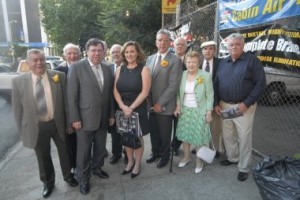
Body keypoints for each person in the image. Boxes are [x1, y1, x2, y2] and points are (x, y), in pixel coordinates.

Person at [11, 49, 78, 198]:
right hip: (37, 126)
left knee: (65, 151)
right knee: (43, 156)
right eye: (34, 60)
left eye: (41, 59)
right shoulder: (18, 82)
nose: (39, 63)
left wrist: (69, 123)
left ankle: (68, 176)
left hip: (58, 122)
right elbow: (17, 110)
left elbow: (67, 103)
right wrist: (23, 131)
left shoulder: (58, 76)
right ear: (28, 63)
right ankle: (48, 182)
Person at [214, 33, 266, 181]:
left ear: (243, 45)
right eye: (231, 44)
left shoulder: (252, 61)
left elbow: (260, 84)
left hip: (243, 107)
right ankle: (233, 158)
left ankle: (243, 167)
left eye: (237, 44)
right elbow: (216, 83)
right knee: (228, 134)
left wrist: (247, 102)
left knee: (244, 137)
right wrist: (216, 102)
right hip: (224, 105)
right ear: (228, 46)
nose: (234, 47)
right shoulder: (224, 62)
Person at [67, 38, 114, 194]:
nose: (96, 53)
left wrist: (111, 114)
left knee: (100, 147)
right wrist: (75, 119)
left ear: (103, 52)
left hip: (104, 117)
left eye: (99, 50)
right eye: (93, 50)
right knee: (84, 151)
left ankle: (97, 168)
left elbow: (109, 95)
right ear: (86, 52)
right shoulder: (77, 67)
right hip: (84, 119)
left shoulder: (108, 68)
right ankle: (83, 178)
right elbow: (71, 96)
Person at [146, 29, 182, 168]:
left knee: (165, 134)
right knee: (154, 131)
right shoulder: (150, 59)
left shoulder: (175, 60)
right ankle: (155, 152)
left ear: (170, 43)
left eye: (166, 40)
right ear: (156, 42)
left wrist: (160, 103)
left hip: (165, 105)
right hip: (150, 104)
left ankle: (165, 155)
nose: (162, 43)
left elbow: (173, 86)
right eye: (160, 40)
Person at [114, 41, 151, 178]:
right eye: (127, 52)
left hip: (138, 107)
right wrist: (123, 106)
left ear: (137, 53)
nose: (129, 54)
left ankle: (137, 164)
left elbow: (145, 92)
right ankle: (129, 162)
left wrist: (131, 108)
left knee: (137, 137)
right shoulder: (120, 69)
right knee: (126, 137)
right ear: (124, 54)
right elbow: (115, 90)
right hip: (123, 108)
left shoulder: (144, 69)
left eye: (132, 51)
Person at [174, 51, 214, 174]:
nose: (191, 64)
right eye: (189, 62)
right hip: (185, 110)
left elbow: (210, 95)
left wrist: (208, 112)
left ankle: (199, 161)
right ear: (185, 62)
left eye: (194, 62)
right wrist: (178, 107)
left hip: (199, 111)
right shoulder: (182, 75)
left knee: (198, 138)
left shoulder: (205, 76)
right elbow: (179, 94)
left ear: (199, 63)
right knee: (185, 136)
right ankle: (186, 157)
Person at [55, 43, 81, 173]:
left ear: (79, 54)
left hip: (83, 110)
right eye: (69, 53)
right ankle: (74, 166)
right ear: (64, 55)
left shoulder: (85, 67)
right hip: (67, 112)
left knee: (84, 140)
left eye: (75, 53)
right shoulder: (58, 71)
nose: (72, 56)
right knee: (70, 142)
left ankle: (85, 161)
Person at [200, 41, 223, 158]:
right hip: (199, 101)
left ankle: (214, 149)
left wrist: (217, 102)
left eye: (210, 48)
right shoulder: (197, 63)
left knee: (214, 127)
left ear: (214, 50)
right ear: (202, 51)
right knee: (201, 125)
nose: (207, 51)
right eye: (205, 49)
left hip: (215, 101)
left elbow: (220, 84)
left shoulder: (221, 63)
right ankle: (201, 147)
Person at [108, 44, 124, 164]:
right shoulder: (107, 68)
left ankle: (128, 154)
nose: (115, 54)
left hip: (127, 104)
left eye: (117, 52)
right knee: (115, 133)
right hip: (112, 105)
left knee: (128, 132)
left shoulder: (129, 67)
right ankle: (116, 153)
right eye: (113, 52)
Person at [172, 37, 188, 156]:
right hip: (169, 96)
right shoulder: (169, 58)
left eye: (182, 45)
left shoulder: (190, 60)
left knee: (180, 123)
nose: (180, 46)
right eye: (177, 44)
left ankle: (175, 146)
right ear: (174, 46)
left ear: (186, 46)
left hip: (184, 97)